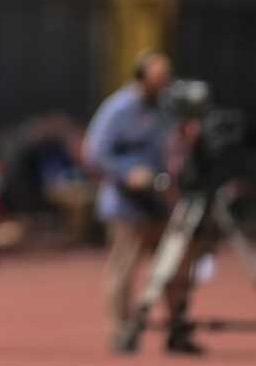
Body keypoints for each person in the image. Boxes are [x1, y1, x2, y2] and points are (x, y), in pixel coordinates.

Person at [84, 51, 201, 354]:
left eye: (167, 77)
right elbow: (94, 152)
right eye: (159, 77)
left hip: (162, 201)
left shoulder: (168, 107)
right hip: (127, 204)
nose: (165, 83)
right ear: (142, 77)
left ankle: (177, 329)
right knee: (124, 269)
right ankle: (122, 332)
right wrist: (127, 173)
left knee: (174, 269)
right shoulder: (118, 109)